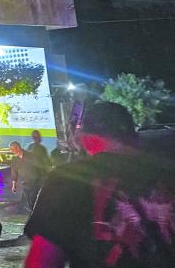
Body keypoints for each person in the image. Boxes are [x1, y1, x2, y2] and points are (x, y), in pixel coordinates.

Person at [24, 101, 175, 267]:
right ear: (135, 137)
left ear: (83, 138)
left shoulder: (69, 178)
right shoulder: (168, 174)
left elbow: (41, 261)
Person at [9, 141, 43, 211]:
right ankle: (32, 212)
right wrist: (13, 185)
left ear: (18, 148)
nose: (11, 151)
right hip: (25, 183)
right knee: (28, 200)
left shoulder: (30, 156)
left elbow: (39, 167)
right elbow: (14, 172)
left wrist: (40, 180)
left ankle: (35, 212)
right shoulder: (14, 159)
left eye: (12, 149)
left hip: (34, 182)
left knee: (33, 199)